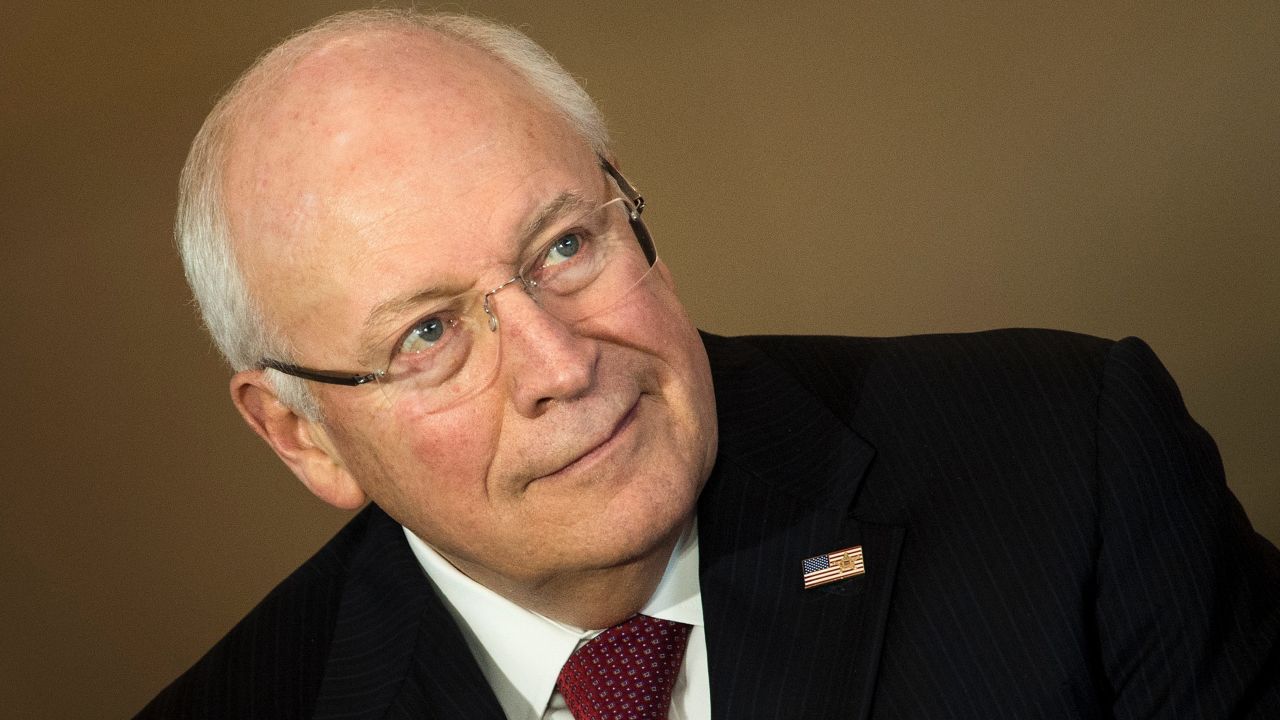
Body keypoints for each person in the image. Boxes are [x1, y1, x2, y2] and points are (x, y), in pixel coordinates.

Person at [140, 9, 1280, 719]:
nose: (557, 364)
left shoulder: (1068, 462)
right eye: (427, 335)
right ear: (299, 433)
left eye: (565, 246)